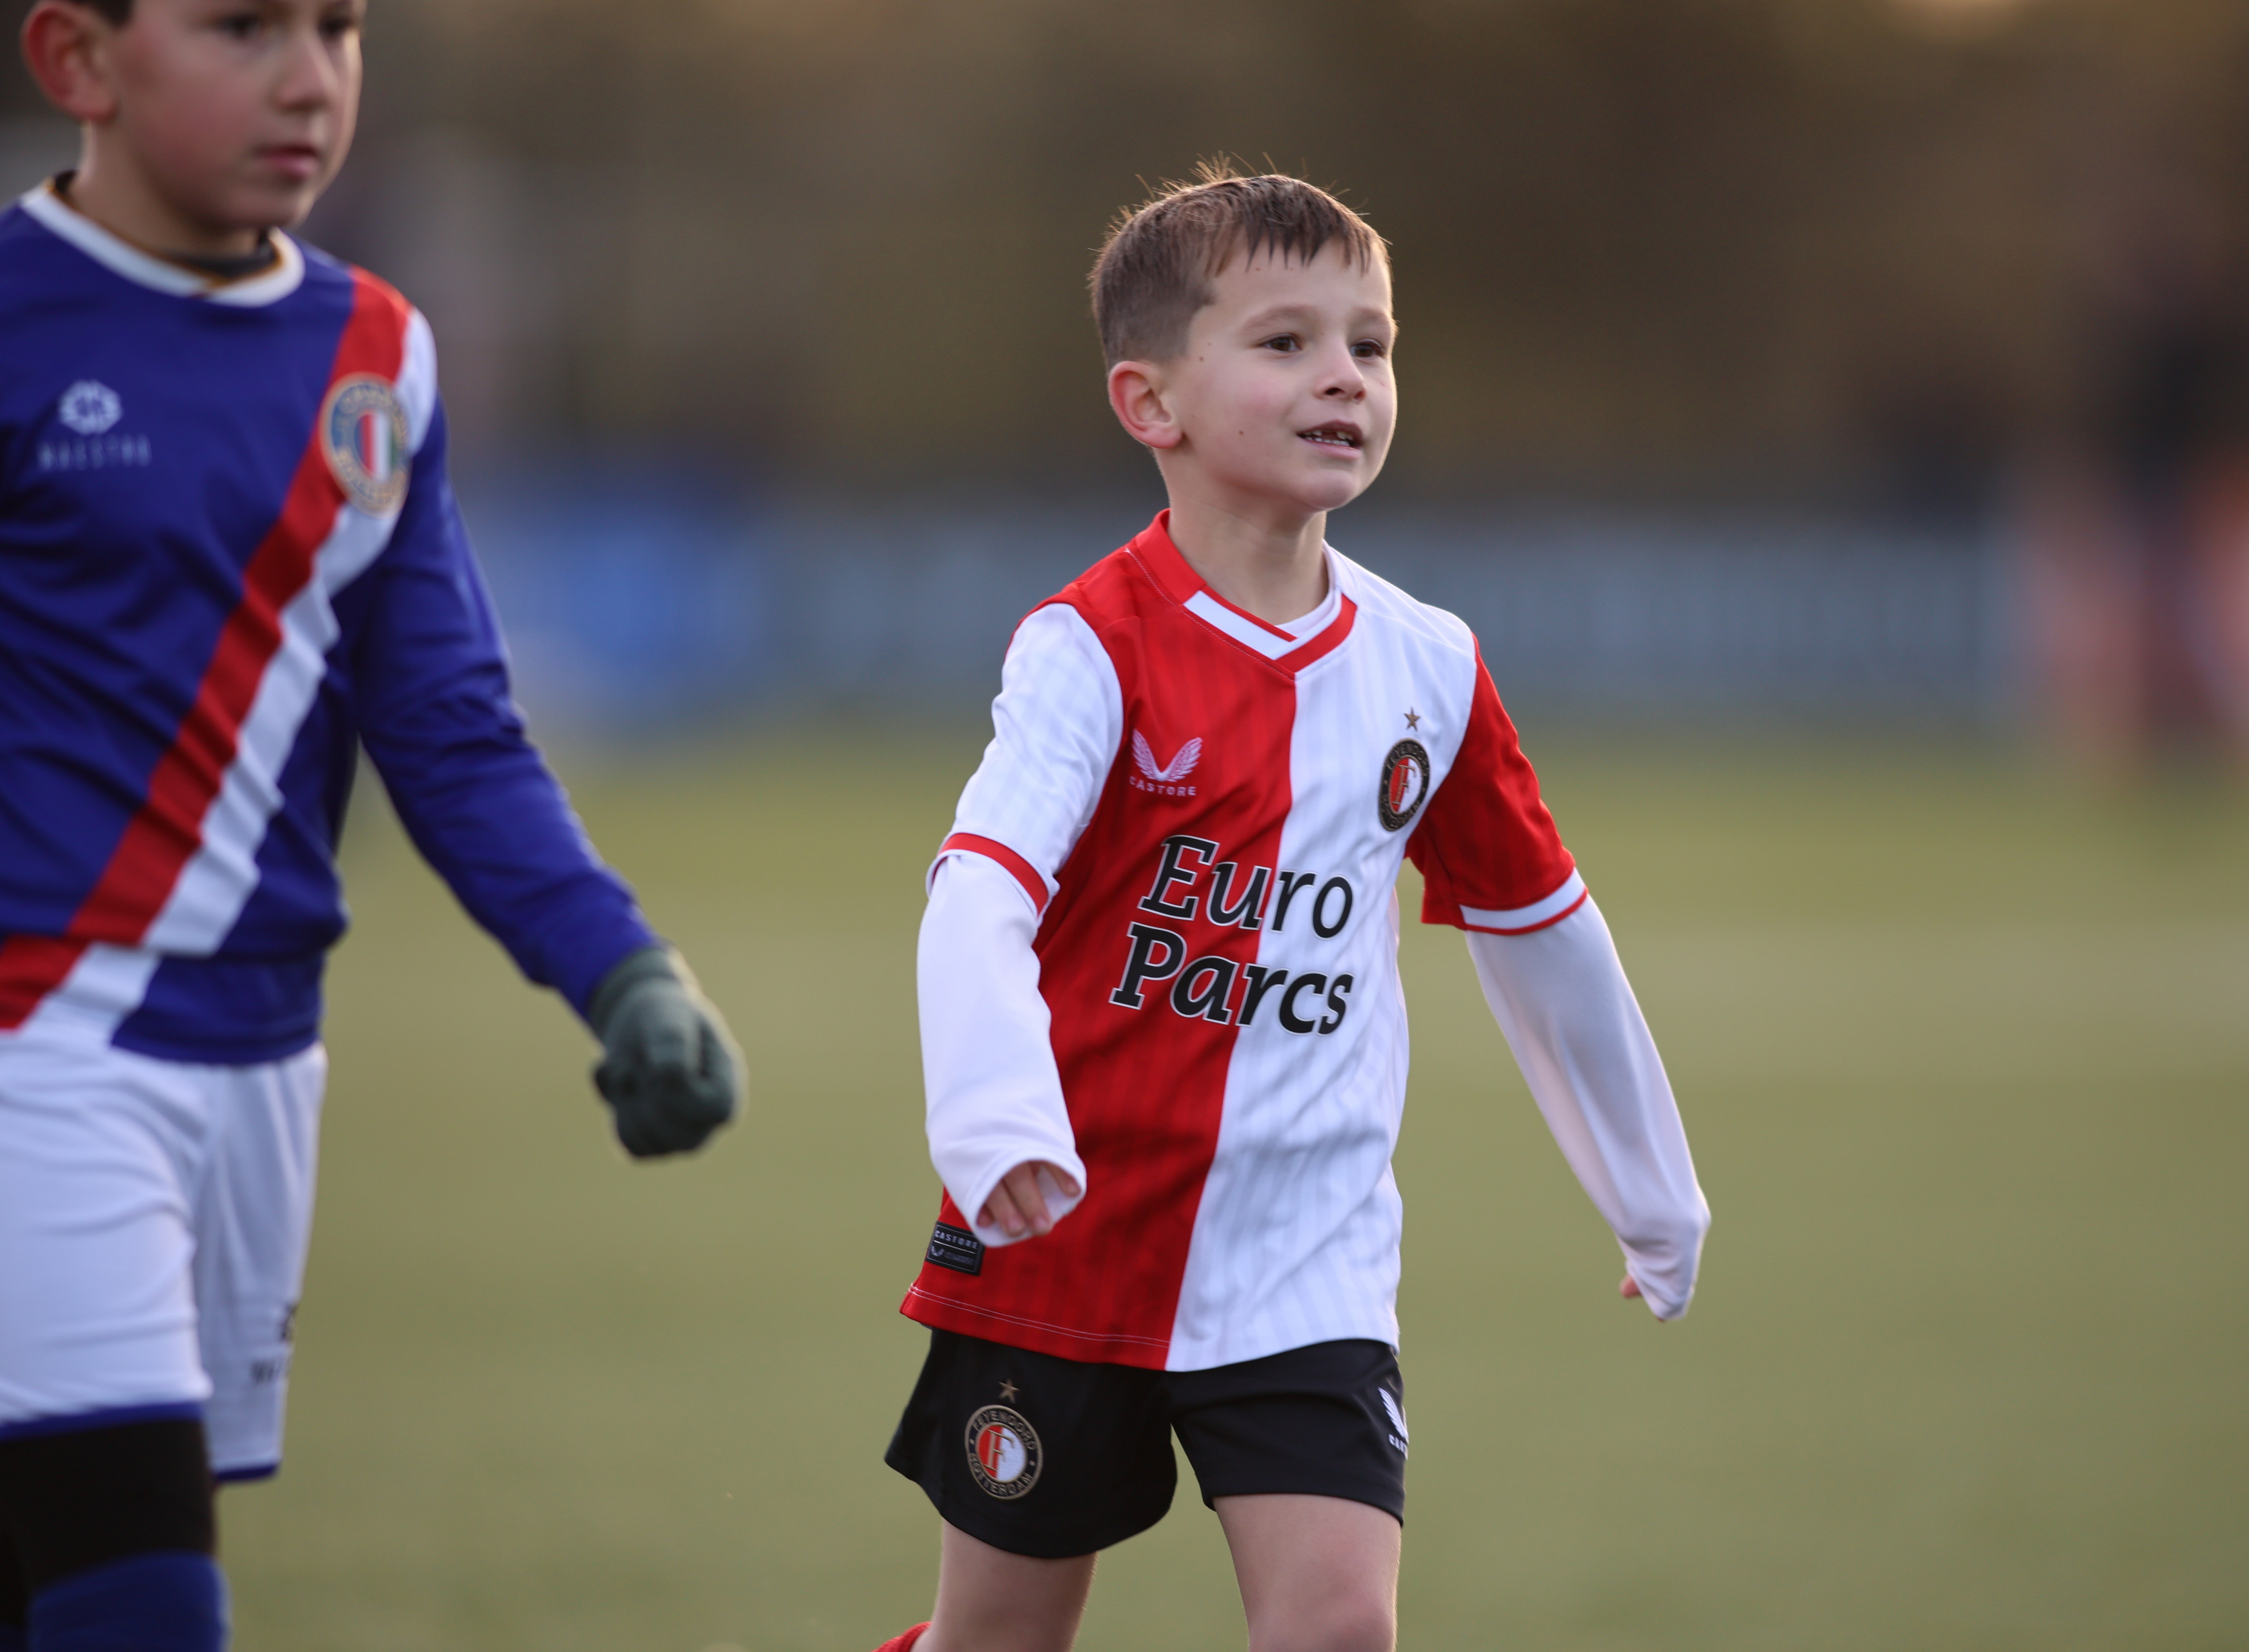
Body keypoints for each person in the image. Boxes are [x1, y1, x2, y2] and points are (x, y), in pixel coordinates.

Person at [869, 165, 1709, 1652]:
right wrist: (996, 1118)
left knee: (1338, 1629)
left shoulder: (1430, 666)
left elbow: (1544, 930)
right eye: (1286, 341)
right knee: (997, 1639)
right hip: (1069, 1233)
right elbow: (979, 885)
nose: (1345, 376)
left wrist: (1653, 1188)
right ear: (1152, 403)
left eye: (1371, 346)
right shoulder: (1087, 648)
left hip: (1305, 1257)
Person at [0, 3, 745, 1647]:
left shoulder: (377, 356)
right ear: (78, 62)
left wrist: (624, 971)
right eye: (243, 26)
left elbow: (450, 731)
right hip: (39, 1047)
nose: (308, 75)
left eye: (338, 28)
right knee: (141, 1594)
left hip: (261, 1057)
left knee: (44, 1565)